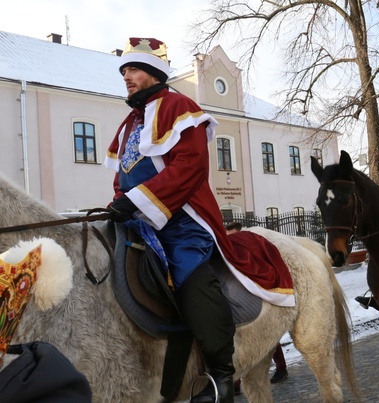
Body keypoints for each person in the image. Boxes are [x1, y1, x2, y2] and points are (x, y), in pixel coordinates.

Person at [104, 38, 299, 403]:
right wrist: (119, 203)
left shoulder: (180, 107)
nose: (126, 76)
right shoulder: (130, 123)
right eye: (124, 70)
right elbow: (124, 176)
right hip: (141, 219)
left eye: (132, 69)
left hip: (183, 219)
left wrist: (135, 201)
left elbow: (190, 167)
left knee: (186, 271)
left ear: (154, 72)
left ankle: (220, 374)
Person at [225, 223, 288, 386]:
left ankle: (281, 367)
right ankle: (236, 381)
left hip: (257, 296)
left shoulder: (249, 249)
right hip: (237, 296)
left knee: (269, 334)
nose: (231, 240)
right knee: (237, 338)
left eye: (233, 235)